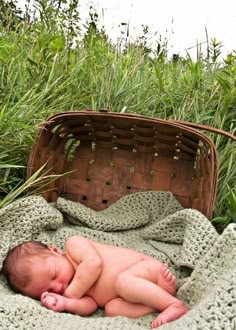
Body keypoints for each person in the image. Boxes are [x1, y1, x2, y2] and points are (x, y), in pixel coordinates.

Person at [3, 236, 189, 328]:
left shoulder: (73, 245)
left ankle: (172, 304)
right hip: (133, 295)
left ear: (55, 251)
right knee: (111, 310)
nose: (58, 286)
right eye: (50, 289)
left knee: (123, 281)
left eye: (54, 274)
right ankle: (158, 302)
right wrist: (67, 304)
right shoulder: (74, 288)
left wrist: (70, 294)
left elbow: (94, 264)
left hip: (146, 270)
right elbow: (91, 306)